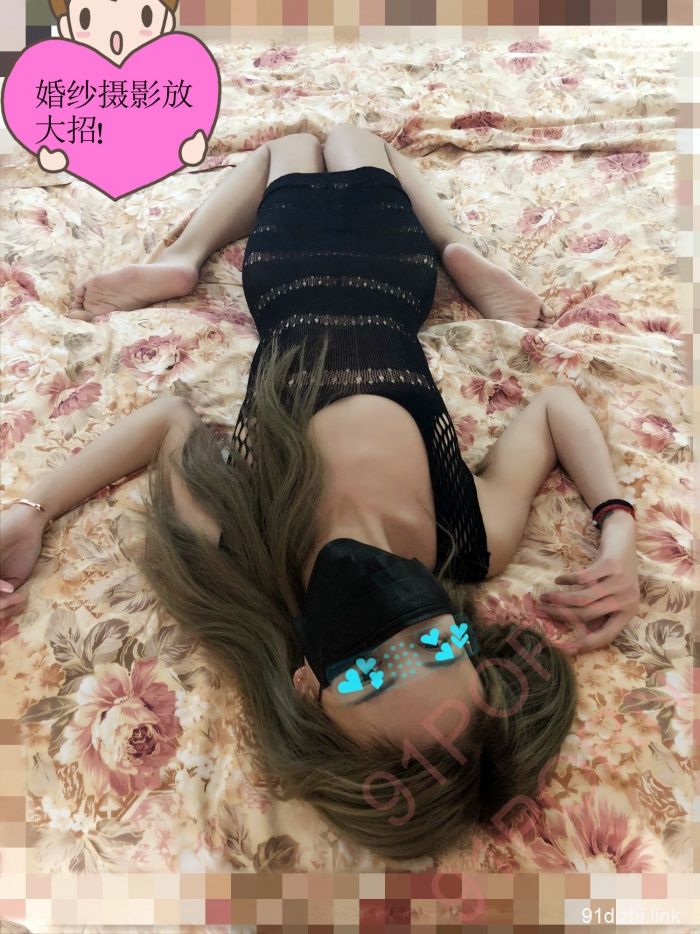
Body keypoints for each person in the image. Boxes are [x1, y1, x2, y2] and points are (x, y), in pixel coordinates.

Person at [0, 126, 640, 860]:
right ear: (466, 637)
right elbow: (556, 409)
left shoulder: (243, 548)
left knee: (291, 148)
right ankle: (458, 248)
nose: (397, 631)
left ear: (309, 687)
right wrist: (617, 527)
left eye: (368, 673)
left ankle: (184, 259)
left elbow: (169, 420)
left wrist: (31, 510)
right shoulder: (471, 537)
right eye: (436, 644)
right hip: (395, 280)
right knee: (360, 141)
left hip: (289, 279)